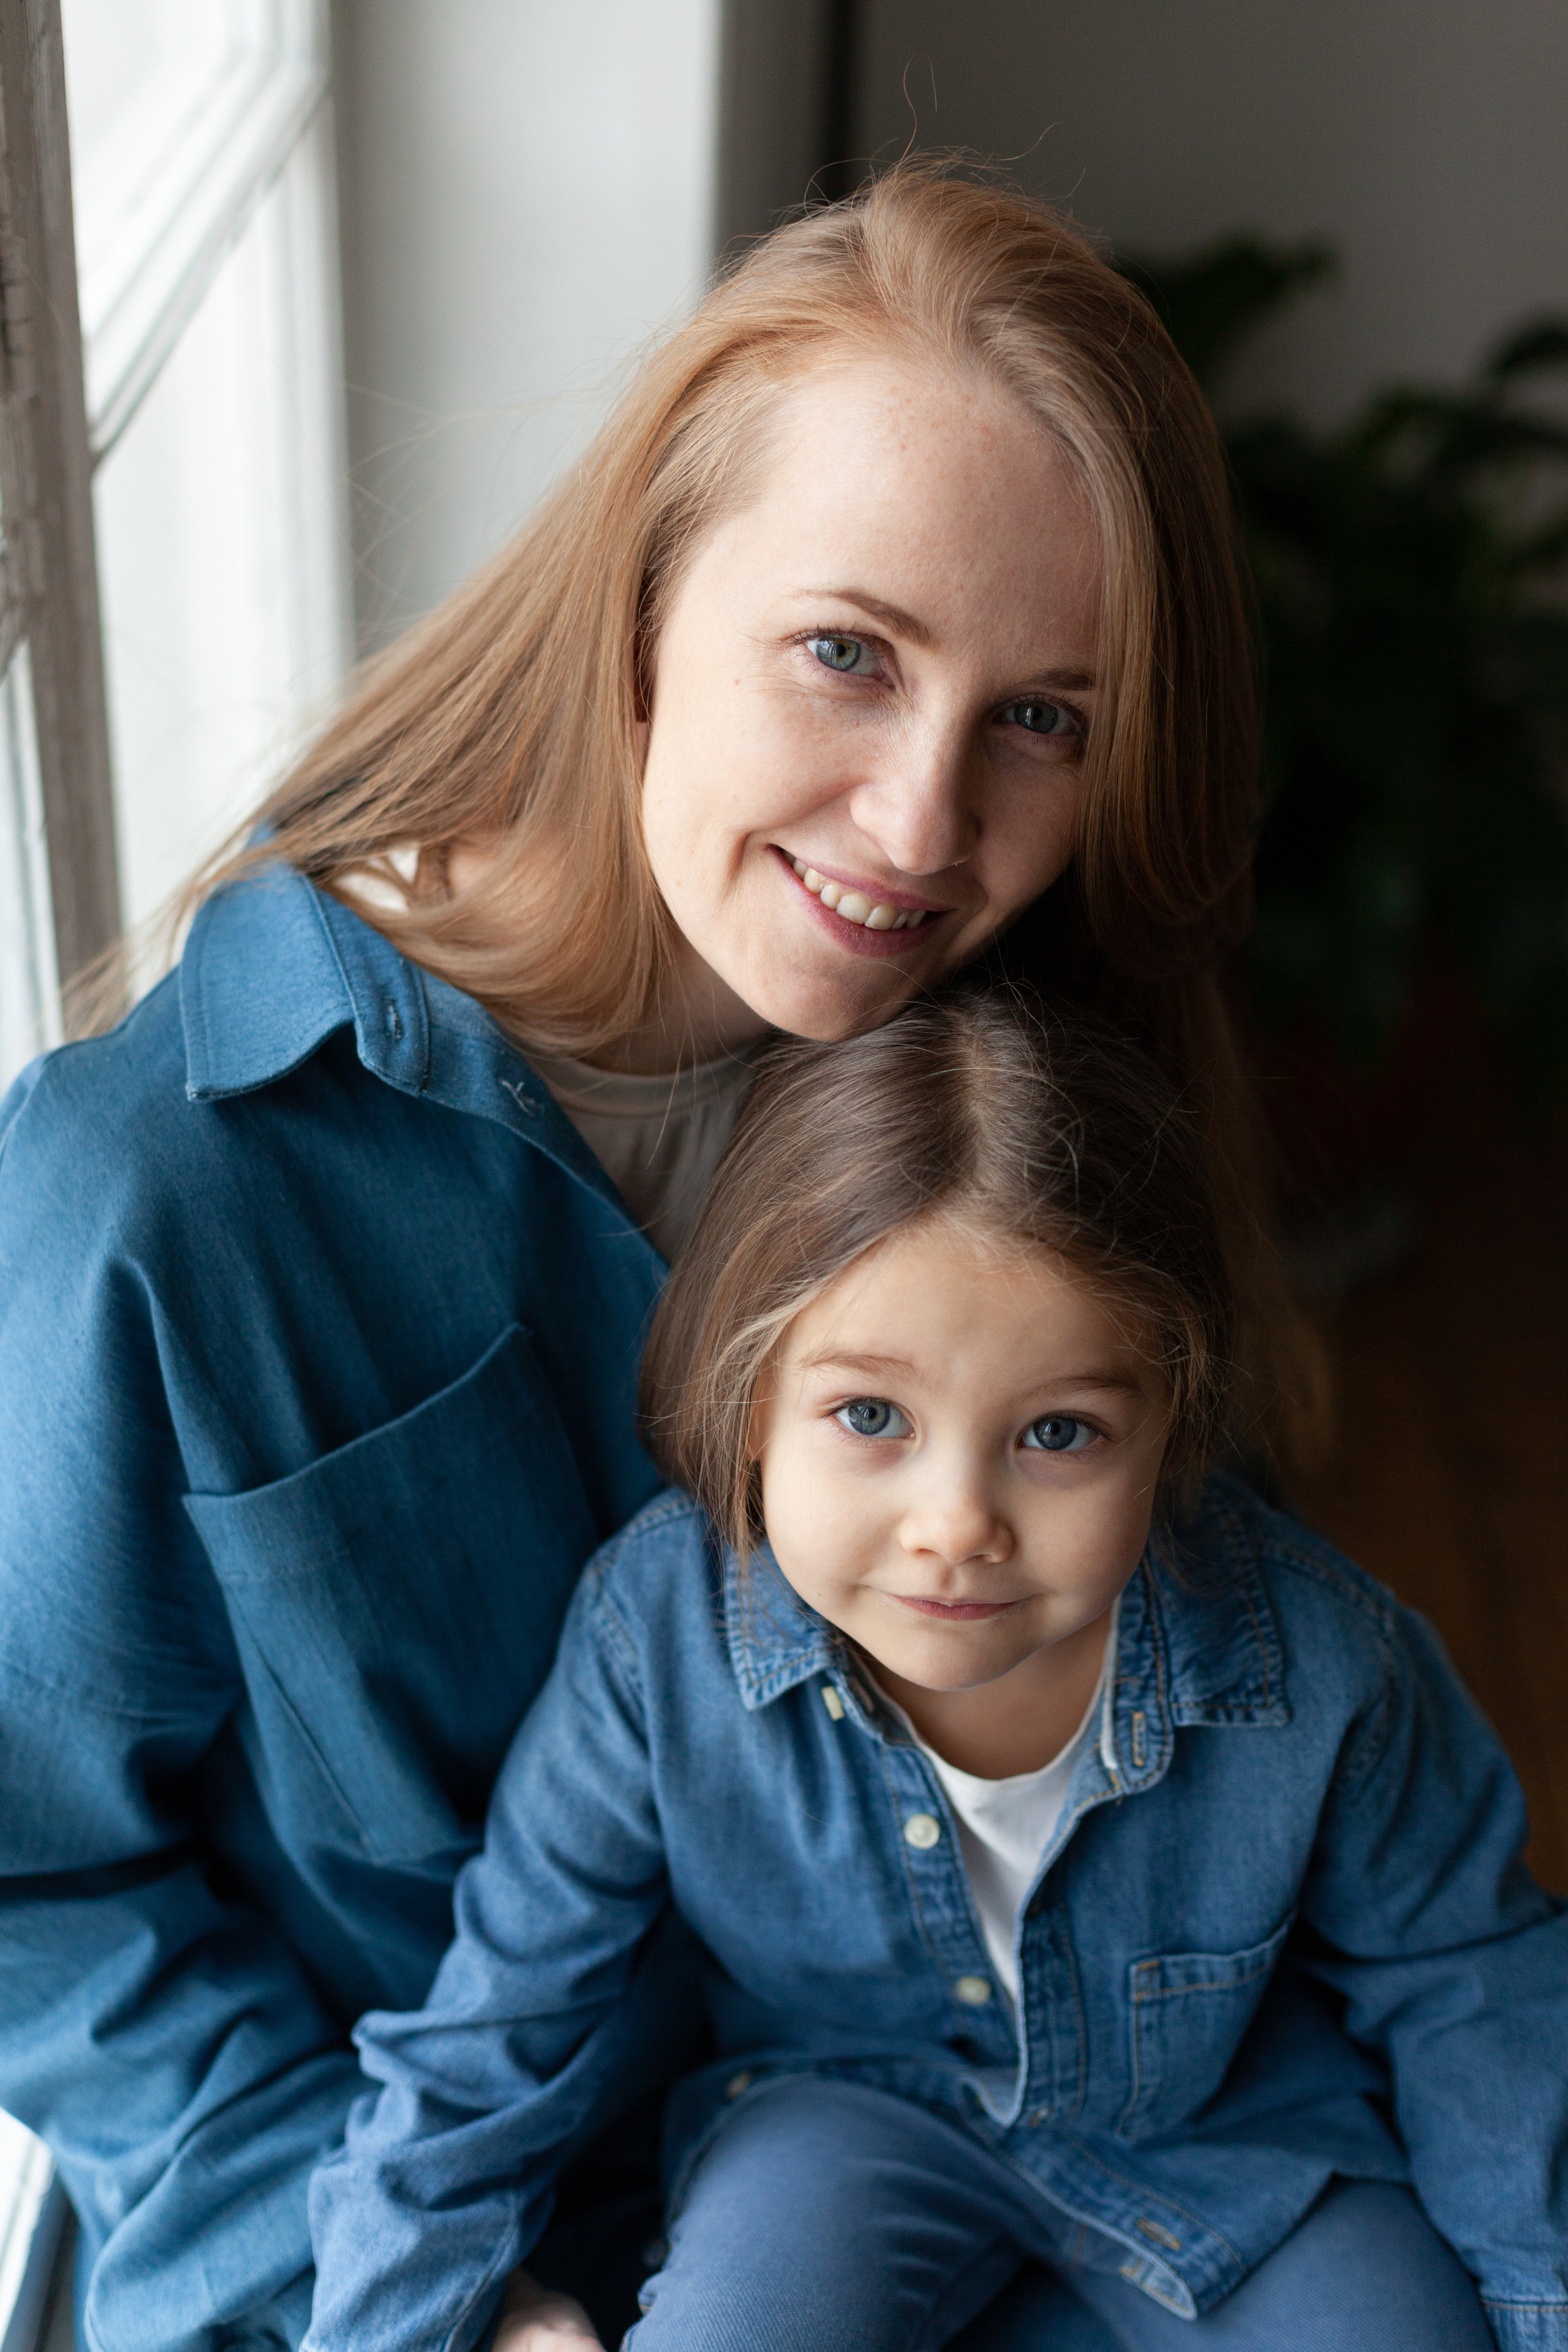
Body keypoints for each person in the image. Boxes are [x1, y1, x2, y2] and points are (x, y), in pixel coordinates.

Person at [0, 165, 1311, 2352]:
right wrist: (436, 2296)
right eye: (847, 655)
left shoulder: (1036, 1102)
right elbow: (34, 1881)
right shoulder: (157, 1186)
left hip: (967, 2176)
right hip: (397, 2243)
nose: (921, 826)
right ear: (639, 604)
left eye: (1043, 719)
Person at [303, 990, 1566, 2352]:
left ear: (1172, 1423)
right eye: (869, 1415)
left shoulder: (1321, 1662)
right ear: (749, 1401)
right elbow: (501, 2017)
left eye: (1059, 1433)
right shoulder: (651, 1643)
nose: (956, 1524)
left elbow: (1473, 1989)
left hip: (1234, 2130)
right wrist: (397, 2323)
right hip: (839, 2115)